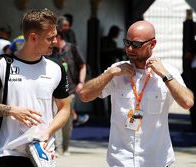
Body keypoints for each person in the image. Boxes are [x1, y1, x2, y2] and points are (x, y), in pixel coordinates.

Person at [78, 20, 194, 167]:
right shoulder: (116, 71)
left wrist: (165, 75)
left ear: (152, 44)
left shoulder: (168, 72)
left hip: (156, 160)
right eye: (127, 42)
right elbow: (84, 95)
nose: (130, 48)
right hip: (120, 160)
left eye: (136, 44)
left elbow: (187, 102)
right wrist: (110, 73)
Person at [0, 9, 70, 167]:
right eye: (50, 38)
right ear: (33, 37)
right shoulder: (3, 64)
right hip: (8, 153)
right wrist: (12, 111)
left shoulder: (56, 68)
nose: (55, 41)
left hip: (43, 153)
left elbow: (65, 108)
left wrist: (48, 131)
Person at [49, 28, 86, 155]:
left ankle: (65, 147)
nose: (51, 40)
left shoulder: (72, 49)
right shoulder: (50, 51)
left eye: (53, 37)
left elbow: (82, 65)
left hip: (70, 90)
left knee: (67, 120)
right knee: (56, 117)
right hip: (53, 91)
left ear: (59, 37)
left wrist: (81, 82)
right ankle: (57, 147)